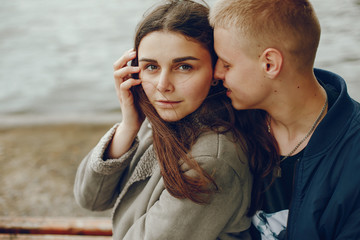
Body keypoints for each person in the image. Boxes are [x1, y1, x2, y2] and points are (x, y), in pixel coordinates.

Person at [74, 0, 277, 239]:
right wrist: (129, 125)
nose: (162, 86)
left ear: (215, 71)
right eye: (151, 67)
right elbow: (91, 198)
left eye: (183, 67)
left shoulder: (213, 159)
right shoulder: (159, 120)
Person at [209, 0, 360, 239]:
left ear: (270, 64)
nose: (216, 74)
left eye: (227, 64)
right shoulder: (228, 120)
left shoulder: (353, 159)